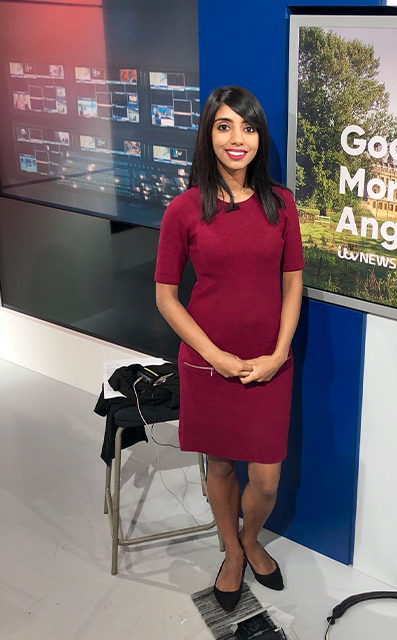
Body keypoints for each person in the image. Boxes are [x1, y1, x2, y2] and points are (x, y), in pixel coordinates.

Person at [154, 86, 304, 612]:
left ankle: (250, 536)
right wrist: (214, 355)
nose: (237, 139)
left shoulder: (281, 204)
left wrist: (281, 351)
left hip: (270, 361)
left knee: (264, 477)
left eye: (247, 128)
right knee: (219, 466)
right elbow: (166, 298)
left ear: (259, 137)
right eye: (224, 126)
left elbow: (292, 284)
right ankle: (234, 552)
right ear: (209, 135)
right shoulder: (184, 209)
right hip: (207, 363)